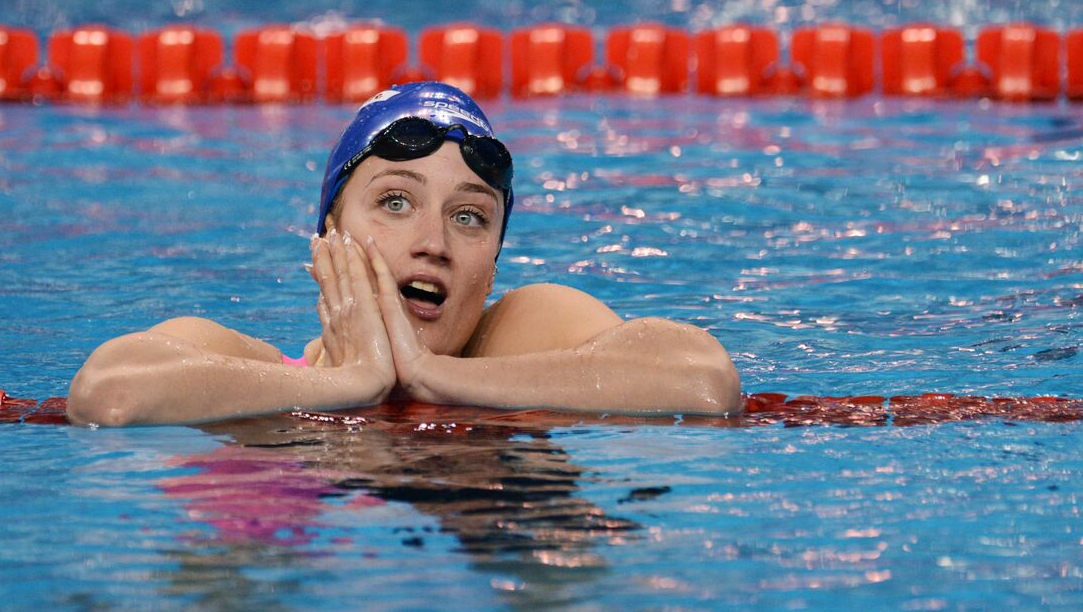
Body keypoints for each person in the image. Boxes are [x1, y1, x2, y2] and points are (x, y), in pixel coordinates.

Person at [67, 81, 741, 427]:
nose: (433, 242)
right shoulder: (245, 365)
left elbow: (703, 383)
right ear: (328, 231)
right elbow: (108, 394)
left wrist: (431, 377)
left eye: (470, 216)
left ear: (495, 261)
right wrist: (345, 383)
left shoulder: (515, 338)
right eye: (395, 202)